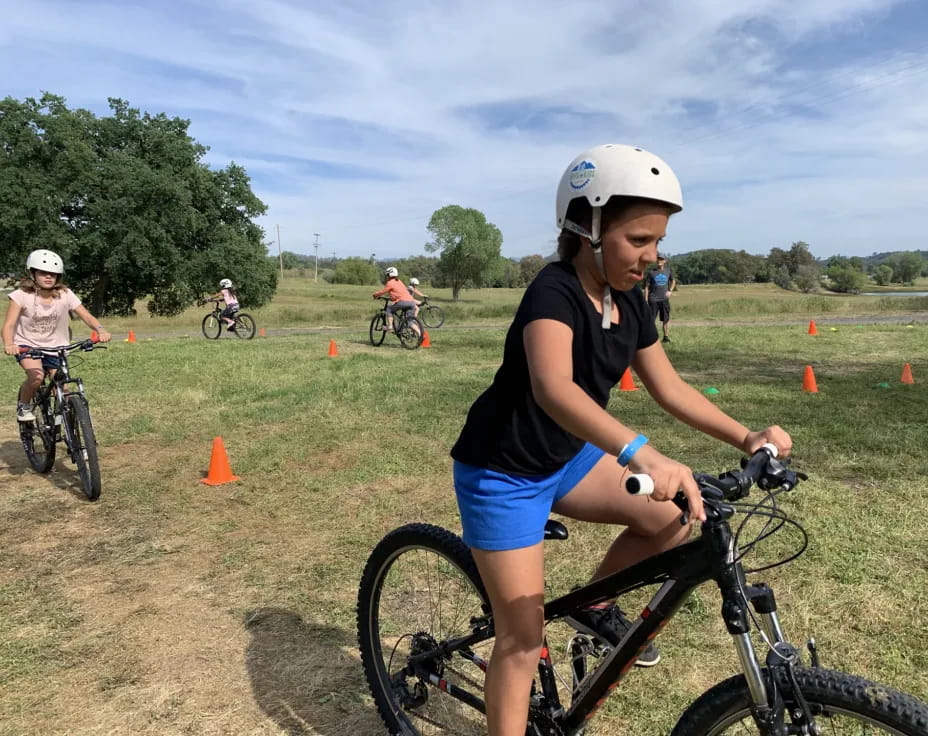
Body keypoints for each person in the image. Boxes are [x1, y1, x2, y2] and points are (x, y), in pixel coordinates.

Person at [449, 144, 792, 736]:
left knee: (674, 517)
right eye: (638, 240)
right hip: (502, 471)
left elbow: (669, 387)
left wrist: (746, 435)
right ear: (587, 227)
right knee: (522, 640)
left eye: (657, 241)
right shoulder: (552, 293)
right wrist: (642, 453)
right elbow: (553, 387)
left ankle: (590, 609)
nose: (652, 256)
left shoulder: (629, 301)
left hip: (566, 457)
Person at [2, 249, 112, 422]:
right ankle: (24, 405)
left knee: (62, 387)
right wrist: (9, 343)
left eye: (53, 274)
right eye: (43, 273)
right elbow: (8, 325)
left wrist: (100, 329)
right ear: (32, 273)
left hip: (56, 346)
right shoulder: (20, 296)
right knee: (36, 377)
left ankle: (66, 427)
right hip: (27, 345)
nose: (48, 277)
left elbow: (86, 315)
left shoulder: (65, 294)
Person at [372, 267, 417, 331]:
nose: (387, 277)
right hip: (411, 302)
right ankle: (420, 334)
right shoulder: (399, 281)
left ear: (390, 275)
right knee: (410, 321)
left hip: (403, 301)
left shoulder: (390, 283)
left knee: (389, 309)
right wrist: (393, 297)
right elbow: (399, 291)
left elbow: (383, 292)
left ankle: (390, 326)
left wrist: (375, 295)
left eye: (387, 275)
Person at [643, 254, 675, 343]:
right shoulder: (651, 272)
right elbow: (646, 287)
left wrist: (670, 290)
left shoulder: (668, 271)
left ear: (665, 261)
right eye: (657, 259)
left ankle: (666, 337)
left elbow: (673, 281)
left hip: (664, 299)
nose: (659, 261)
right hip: (653, 300)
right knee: (651, 320)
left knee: (665, 319)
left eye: (661, 259)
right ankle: (650, 338)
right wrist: (645, 299)